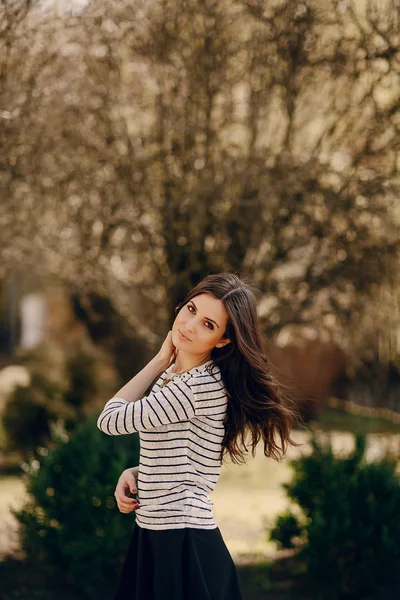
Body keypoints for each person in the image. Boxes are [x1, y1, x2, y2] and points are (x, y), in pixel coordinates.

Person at [97, 272, 301, 600]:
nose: (190, 325)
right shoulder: (177, 377)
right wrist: (136, 473)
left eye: (208, 324)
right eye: (191, 310)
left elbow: (110, 420)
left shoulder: (197, 387)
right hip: (158, 531)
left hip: (181, 540)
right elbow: (184, 457)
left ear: (223, 340)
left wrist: (160, 358)